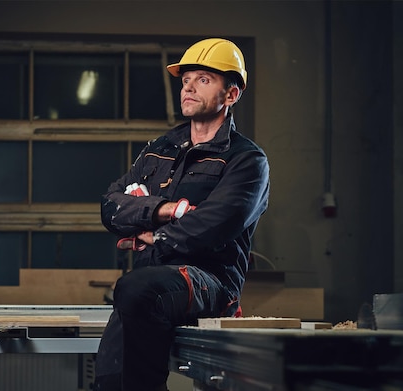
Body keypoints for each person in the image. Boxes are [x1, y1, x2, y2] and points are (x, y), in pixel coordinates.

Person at [93, 38, 270, 391]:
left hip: (210, 283)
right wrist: (164, 209)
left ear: (231, 95)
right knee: (109, 378)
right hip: (147, 284)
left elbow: (211, 228)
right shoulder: (159, 150)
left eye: (203, 79)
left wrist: (150, 236)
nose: (188, 87)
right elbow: (111, 206)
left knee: (136, 288)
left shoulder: (246, 160)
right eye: (185, 79)